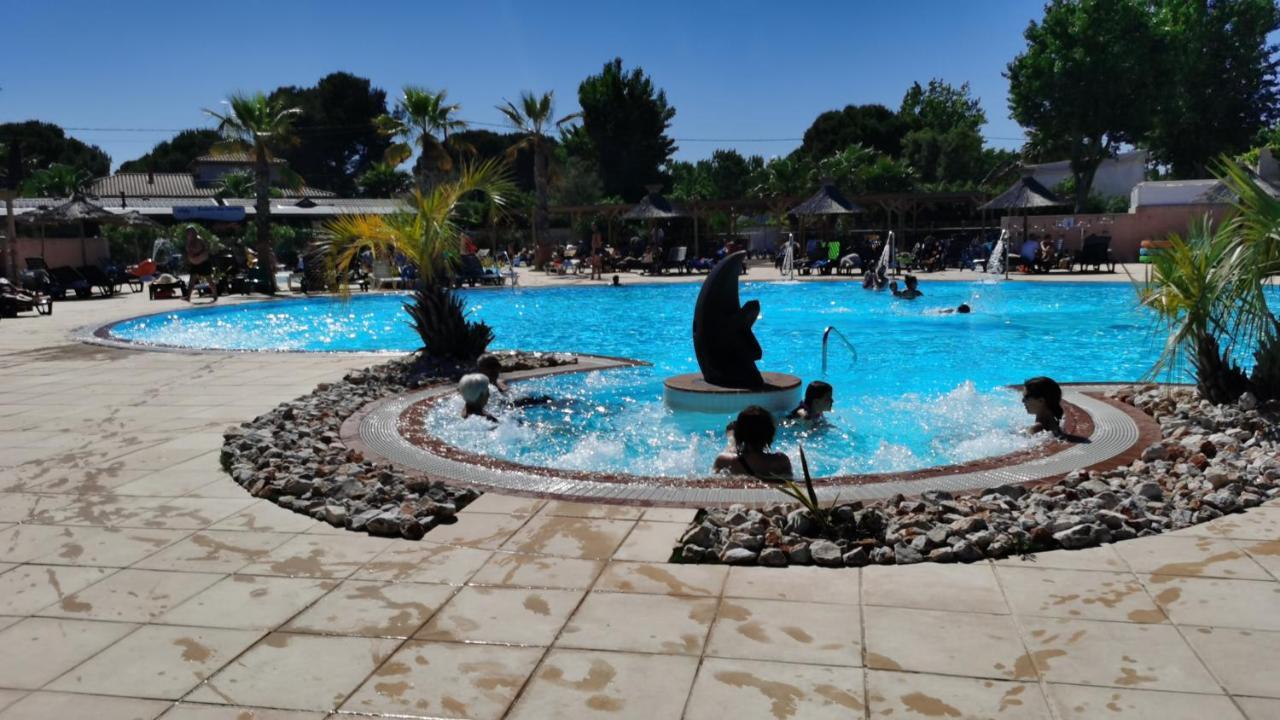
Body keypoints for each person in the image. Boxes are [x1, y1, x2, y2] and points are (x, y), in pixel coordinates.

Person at [714, 405, 793, 480]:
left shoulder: (724, 462)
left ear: (739, 434)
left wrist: (733, 440)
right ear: (770, 434)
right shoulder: (780, 462)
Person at [182, 225, 217, 302]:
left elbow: (206, 249)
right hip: (194, 264)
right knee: (192, 281)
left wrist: (199, 255)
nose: (188, 234)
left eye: (189, 232)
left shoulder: (199, 240)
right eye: (187, 232)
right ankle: (188, 297)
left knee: (209, 279)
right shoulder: (188, 241)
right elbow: (188, 252)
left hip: (204, 262)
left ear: (194, 232)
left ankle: (215, 295)